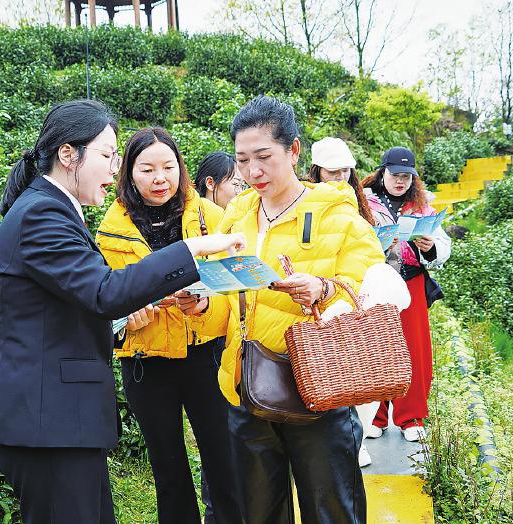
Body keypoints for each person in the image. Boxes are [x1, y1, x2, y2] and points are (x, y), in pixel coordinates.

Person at [0, 100, 245, 524]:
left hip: (62, 424)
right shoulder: (43, 214)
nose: (112, 169)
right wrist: (192, 250)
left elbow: (81, 305)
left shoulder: (54, 210)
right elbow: (105, 292)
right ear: (69, 155)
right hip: (49, 426)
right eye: (107, 155)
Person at [184, 95, 385, 524]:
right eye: (241, 160)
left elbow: (372, 299)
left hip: (320, 391)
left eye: (263, 157)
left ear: (293, 151)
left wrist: (325, 289)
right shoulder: (236, 218)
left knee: (330, 512)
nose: (252, 172)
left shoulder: (339, 216)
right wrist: (202, 303)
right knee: (258, 514)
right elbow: (226, 306)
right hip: (246, 390)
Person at [95, 128, 241, 524]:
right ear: (128, 173)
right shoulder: (110, 232)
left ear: (182, 169)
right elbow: (103, 300)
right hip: (146, 363)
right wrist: (128, 318)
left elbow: (236, 291)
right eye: (147, 169)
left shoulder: (212, 219)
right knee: (168, 468)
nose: (160, 178)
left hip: (206, 356)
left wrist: (206, 304)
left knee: (224, 460)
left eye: (168, 167)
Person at [361, 146, 451, 443]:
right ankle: (376, 416)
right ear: (382, 172)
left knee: (415, 350)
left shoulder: (422, 205)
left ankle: (410, 417)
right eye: (396, 175)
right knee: (374, 349)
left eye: (407, 177)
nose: (401, 182)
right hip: (376, 280)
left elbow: (442, 246)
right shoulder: (364, 201)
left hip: (411, 281)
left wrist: (430, 248)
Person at [309, 136, 378, 468]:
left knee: (359, 373)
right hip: (324, 298)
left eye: (343, 173)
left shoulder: (358, 204)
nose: (337, 180)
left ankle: (357, 439)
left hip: (356, 296)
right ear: (316, 172)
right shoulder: (308, 203)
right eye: (330, 173)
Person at [192, 150, 245, 522]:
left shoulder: (234, 222)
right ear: (211, 184)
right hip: (206, 345)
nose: (242, 190)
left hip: (228, 345)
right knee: (217, 441)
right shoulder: (199, 225)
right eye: (236, 184)